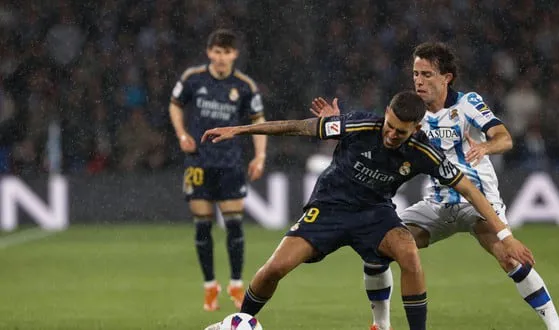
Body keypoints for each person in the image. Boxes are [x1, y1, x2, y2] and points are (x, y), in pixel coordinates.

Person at [202, 91, 534, 330]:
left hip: (375, 214)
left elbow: (469, 188)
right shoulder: (360, 126)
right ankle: (239, 323)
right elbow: (299, 127)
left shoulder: (422, 151)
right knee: (275, 268)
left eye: (400, 132)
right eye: (389, 125)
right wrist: (240, 130)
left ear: (415, 130)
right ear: (386, 114)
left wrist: (504, 235)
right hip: (330, 207)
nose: (390, 135)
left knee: (409, 254)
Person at [312, 42, 559, 330]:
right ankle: (380, 325)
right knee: (377, 246)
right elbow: (375, 135)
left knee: (510, 258)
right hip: (436, 204)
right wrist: (336, 125)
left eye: (427, 74)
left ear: (446, 78)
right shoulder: (412, 114)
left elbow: (504, 137)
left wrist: (485, 146)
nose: (419, 80)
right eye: (416, 73)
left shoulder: (467, 103)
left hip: (475, 200)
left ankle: (556, 327)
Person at [168, 29, 267, 312]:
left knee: (234, 225)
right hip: (198, 161)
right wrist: (181, 134)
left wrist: (260, 156)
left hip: (230, 163)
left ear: (234, 54)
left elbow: (259, 120)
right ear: (209, 52)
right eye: (217, 52)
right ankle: (210, 286)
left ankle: (236, 284)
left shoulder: (244, 85)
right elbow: (174, 105)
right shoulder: (193, 78)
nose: (221, 57)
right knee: (202, 226)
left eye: (227, 52)